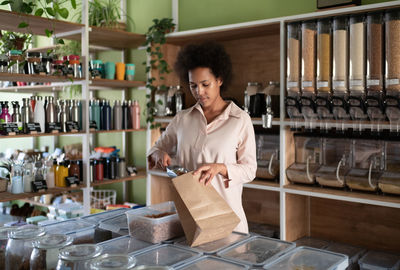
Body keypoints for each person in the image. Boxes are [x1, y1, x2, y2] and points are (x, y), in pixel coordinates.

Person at [147, 42, 257, 233]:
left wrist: (221, 168)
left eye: (205, 84)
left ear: (220, 79)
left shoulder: (239, 119)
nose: (199, 92)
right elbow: (156, 148)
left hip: (229, 222)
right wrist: (158, 154)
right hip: (190, 221)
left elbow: (250, 169)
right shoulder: (182, 119)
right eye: (193, 85)